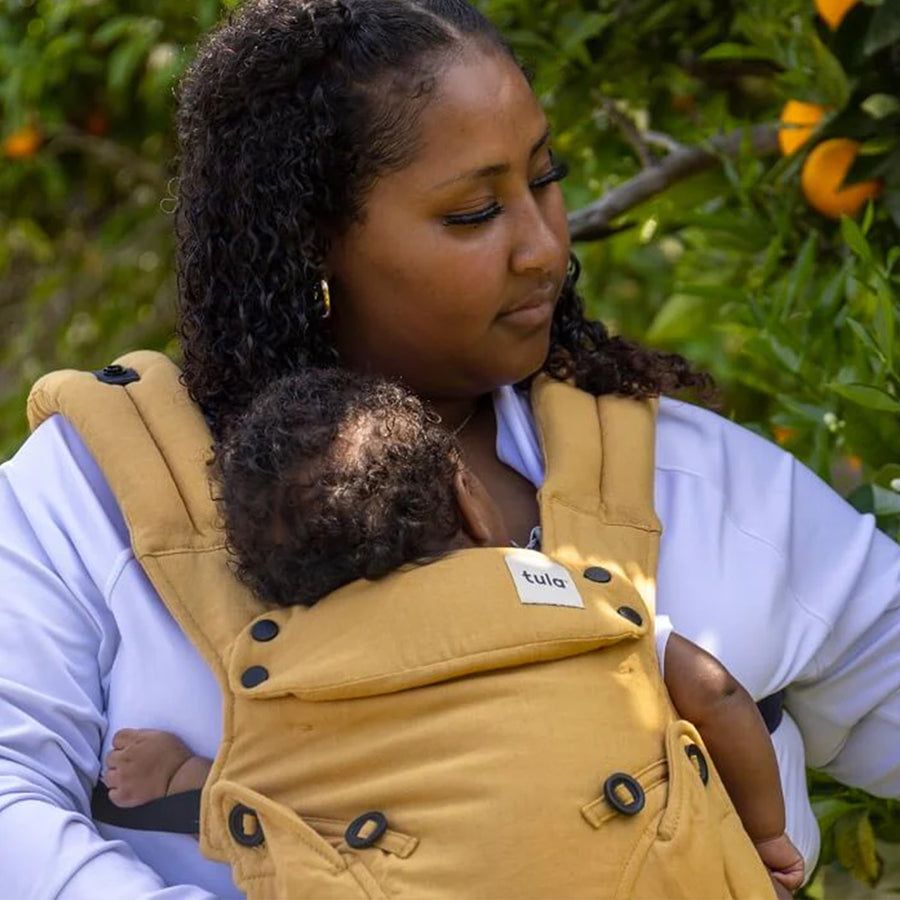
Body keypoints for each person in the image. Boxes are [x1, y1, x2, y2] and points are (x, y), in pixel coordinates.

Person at [1, 0, 899, 896]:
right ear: (312, 241)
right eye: (474, 212)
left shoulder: (697, 480)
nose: (546, 249)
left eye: (545, 180)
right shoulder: (97, 500)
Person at [100, 367, 805, 894]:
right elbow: (716, 695)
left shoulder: (290, 678)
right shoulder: (568, 598)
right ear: (470, 503)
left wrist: (181, 771)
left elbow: (262, 806)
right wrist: (765, 833)